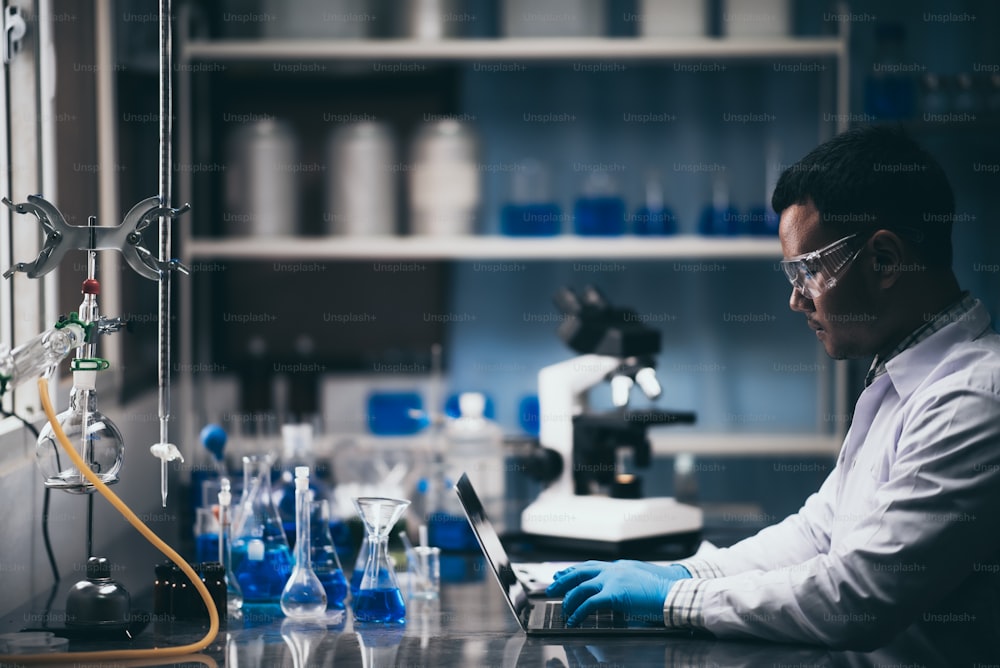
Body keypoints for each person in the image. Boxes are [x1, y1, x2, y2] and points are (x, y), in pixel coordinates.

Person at [547, 125, 1000, 655]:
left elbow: (856, 597)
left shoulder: (973, 399)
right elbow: (816, 535)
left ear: (883, 260)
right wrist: (677, 571)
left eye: (806, 272)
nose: (796, 301)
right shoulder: (903, 378)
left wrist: (674, 599)